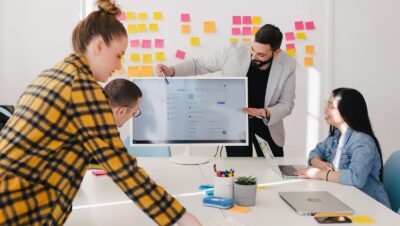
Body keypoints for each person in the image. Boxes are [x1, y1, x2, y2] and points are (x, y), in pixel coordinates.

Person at [0, 1, 201, 225]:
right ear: (98, 46)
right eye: (118, 55)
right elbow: (123, 169)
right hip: (14, 208)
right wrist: (181, 218)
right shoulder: (82, 88)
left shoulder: (52, 74)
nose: (118, 66)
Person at [156, 24, 296, 157]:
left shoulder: (288, 64)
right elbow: (199, 64)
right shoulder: (233, 51)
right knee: (239, 174)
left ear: (276, 52)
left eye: (261, 54)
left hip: (267, 124)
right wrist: (172, 70)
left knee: (275, 172)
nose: (253, 56)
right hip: (235, 123)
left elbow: (287, 103)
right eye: (253, 50)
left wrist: (266, 112)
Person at [296, 88, 391, 208]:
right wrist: (318, 162)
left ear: (347, 112)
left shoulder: (363, 142)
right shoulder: (336, 135)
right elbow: (316, 152)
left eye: (331, 106)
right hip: (345, 199)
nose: (325, 110)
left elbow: (355, 178)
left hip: (370, 206)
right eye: (327, 104)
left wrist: (320, 174)